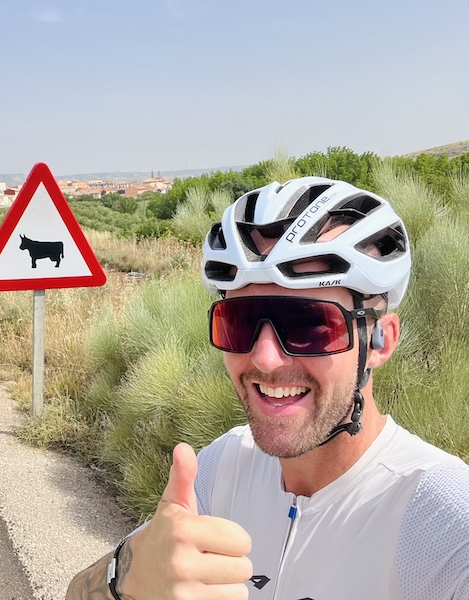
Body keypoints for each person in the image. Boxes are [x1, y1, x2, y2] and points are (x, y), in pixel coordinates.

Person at [66, 177, 469, 600]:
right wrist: (124, 573)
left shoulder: (443, 524)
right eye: (238, 321)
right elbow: (75, 593)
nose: (264, 359)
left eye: (309, 325)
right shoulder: (222, 467)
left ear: (380, 341)